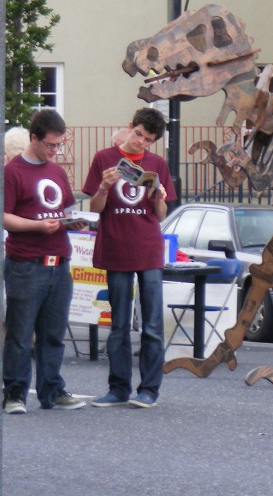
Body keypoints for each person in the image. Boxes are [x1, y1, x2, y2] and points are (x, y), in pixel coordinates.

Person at [83, 107, 174, 409]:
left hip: (148, 249)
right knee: (119, 324)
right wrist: (104, 187)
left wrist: (159, 197)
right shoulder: (104, 159)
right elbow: (96, 208)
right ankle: (118, 388)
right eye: (138, 135)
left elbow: (160, 216)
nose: (141, 143)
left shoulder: (157, 164)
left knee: (152, 325)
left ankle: (149, 389)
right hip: (116, 248)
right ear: (129, 127)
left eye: (148, 140)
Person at [2, 109, 86, 413]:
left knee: (54, 334)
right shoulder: (13, 171)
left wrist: (72, 221)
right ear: (34, 138)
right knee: (20, 334)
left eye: (59, 146)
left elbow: (66, 210)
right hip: (26, 263)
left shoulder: (56, 171)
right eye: (50, 145)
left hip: (59, 262)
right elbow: (3, 216)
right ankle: (14, 394)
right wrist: (37, 226)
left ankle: (52, 390)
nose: (54, 151)